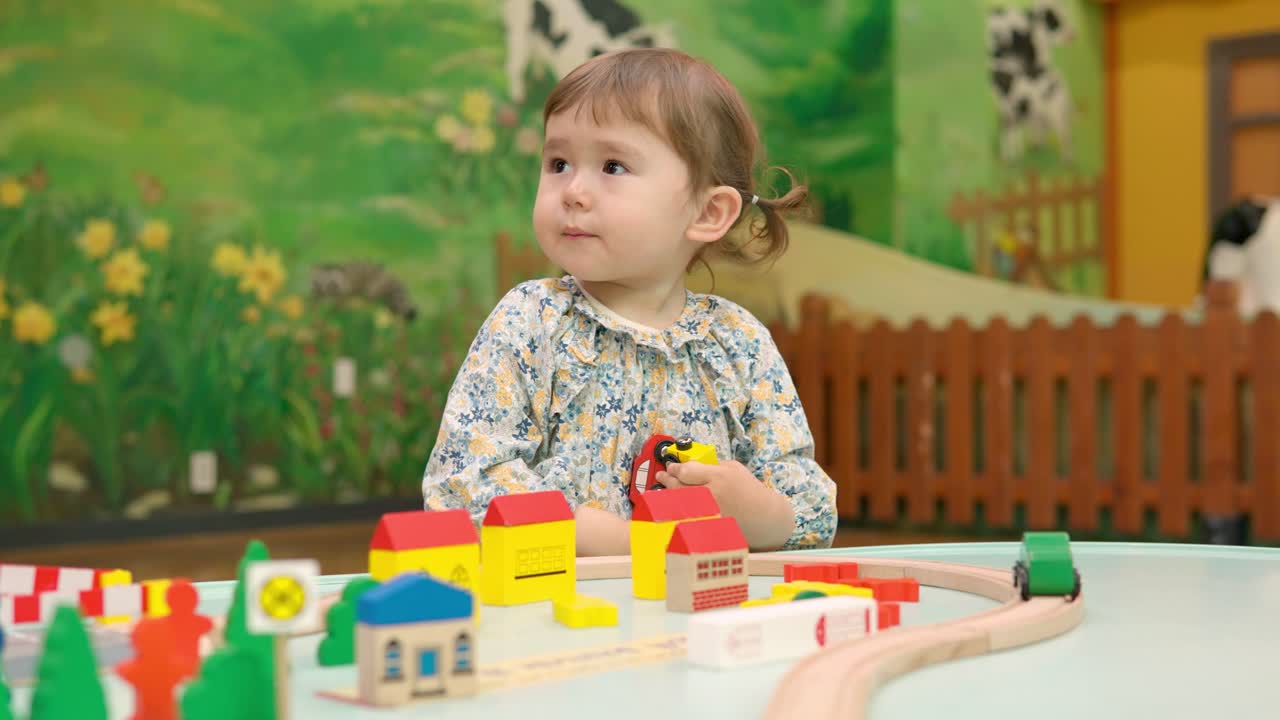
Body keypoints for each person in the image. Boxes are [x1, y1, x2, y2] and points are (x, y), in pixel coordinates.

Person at [421, 47, 836, 555]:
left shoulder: (738, 343)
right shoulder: (531, 321)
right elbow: (464, 487)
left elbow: (812, 513)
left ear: (708, 212)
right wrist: (627, 543)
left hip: (698, 601)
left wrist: (759, 517)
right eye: (558, 163)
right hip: (556, 599)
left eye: (613, 166)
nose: (573, 190)